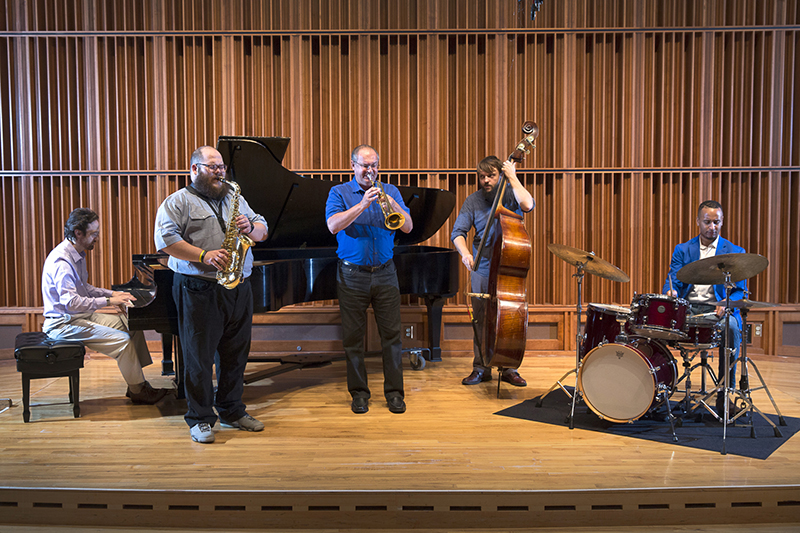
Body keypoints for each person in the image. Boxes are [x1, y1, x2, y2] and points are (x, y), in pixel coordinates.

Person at [154, 145, 268, 444]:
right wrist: (204, 255)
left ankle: (232, 410)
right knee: (199, 358)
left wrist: (251, 226)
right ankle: (200, 418)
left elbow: (263, 230)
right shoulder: (178, 202)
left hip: (238, 286)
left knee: (235, 355)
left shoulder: (235, 197)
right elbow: (165, 241)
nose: (220, 172)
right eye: (212, 167)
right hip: (199, 288)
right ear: (194, 169)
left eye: (222, 167)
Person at [42, 208, 170, 404]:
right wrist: (110, 302)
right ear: (78, 233)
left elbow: (83, 288)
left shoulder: (76, 253)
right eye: (93, 234)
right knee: (123, 341)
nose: (97, 238)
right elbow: (72, 303)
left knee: (130, 325)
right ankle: (139, 391)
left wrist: (112, 293)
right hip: (63, 324)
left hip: (79, 317)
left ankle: (136, 382)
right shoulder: (62, 262)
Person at [325, 144, 413, 415]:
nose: (370, 170)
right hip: (352, 275)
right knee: (353, 339)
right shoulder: (339, 193)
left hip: (386, 273)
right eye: (364, 165)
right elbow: (333, 225)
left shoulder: (391, 191)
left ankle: (395, 394)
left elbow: (408, 226)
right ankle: (359, 394)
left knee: (392, 337)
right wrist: (363, 204)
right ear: (353, 166)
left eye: (374, 165)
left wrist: (391, 200)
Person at [451, 156, 535, 387]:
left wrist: (513, 177)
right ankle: (481, 367)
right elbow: (457, 233)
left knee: (509, 318)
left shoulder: (511, 196)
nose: (486, 180)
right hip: (482, 265)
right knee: (480, 318)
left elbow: (527, 205)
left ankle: (508, 367)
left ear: (500, 175)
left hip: (508, 265)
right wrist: (466, 254)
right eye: (482, 176)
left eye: (491, 175)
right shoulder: (473, 200)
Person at [663, 200, 746, 415]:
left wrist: (726, 304)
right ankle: (658, 390)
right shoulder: (682, 249)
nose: (712, 227)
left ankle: (724, 395)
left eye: (716, 222)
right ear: (698, 221)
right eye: (707, 222)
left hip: (718, 310)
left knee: (733, 328)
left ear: (722, 221)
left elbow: (739, 290)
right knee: (656, 322)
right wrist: (670, 291)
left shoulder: (735, 251)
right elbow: (673, 278)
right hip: (690, 308)